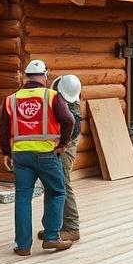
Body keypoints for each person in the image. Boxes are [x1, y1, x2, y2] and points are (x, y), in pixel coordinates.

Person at [0, 59, 75, 256]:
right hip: (47, 155)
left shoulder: (11, 99)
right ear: (45, 75)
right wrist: (63, 144)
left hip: (21, 156)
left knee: (23, 198)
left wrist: (6, 152)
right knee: (57, 192)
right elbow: (69, 120)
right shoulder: (52, 96)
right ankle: (51, 237)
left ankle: (23, 246)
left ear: (26, 76)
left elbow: (4, 129)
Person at [48, 74, 81, 241]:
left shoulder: (72, 113)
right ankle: (55, 227)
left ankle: (72, 227)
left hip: (65, 149)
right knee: (55, 184)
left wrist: (59, 146)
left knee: (63, 183)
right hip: (60, 147)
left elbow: (69, 132)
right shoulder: (68, 102)